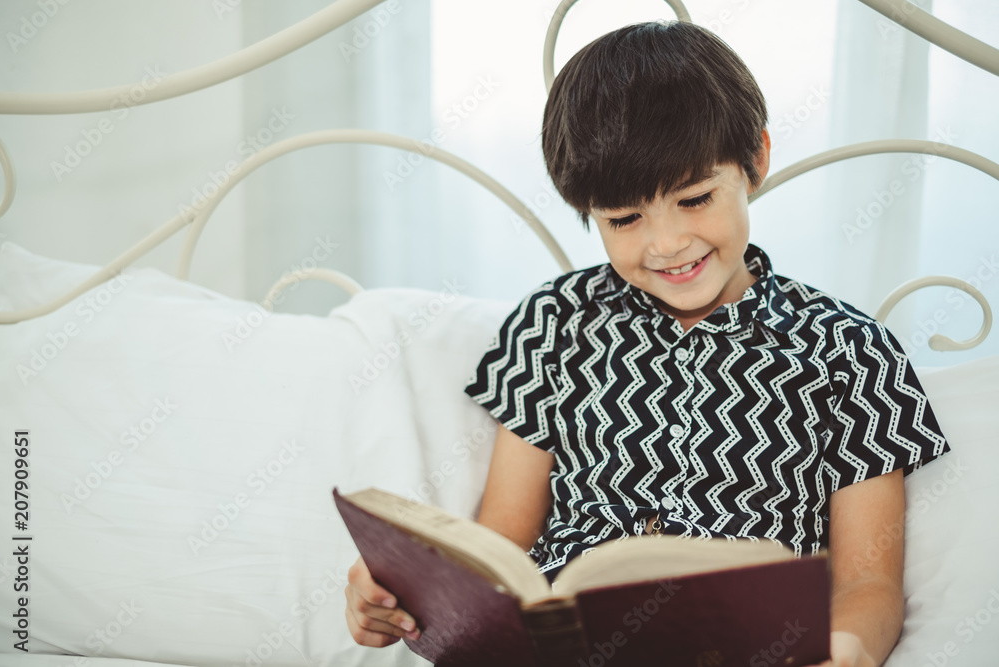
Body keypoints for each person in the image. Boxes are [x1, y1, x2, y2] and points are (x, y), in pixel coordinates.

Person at [344, 21, 949, 666]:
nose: (665, 244)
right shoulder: (554, 324)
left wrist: (847, 653)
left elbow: (868, 583)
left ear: (757, 160)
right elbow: (501, 546)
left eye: (695, 199)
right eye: (625, 219)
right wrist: (407, 591)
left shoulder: (850, 351)